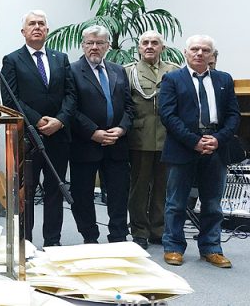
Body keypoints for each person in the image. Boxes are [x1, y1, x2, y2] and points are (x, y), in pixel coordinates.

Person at [159, 35, 239, 268]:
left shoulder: (224, 79)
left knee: (213, 203)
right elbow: (168, 115)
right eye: (195, 49)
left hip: (216, 147)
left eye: (205, 50)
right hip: (183, 147)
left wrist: (216, 139)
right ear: (185, 52)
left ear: (212, 55)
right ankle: (173, 246)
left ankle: (211, 248)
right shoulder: (172, 78)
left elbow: (233, 116)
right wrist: (194, 141)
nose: (199, 53)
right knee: (176, 202)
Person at [1, 10, 76, 247]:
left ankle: (53, 241)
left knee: (55, 188)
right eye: (31, 24)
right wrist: (38, 121)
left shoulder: (60, 58)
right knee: (27, 191)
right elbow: (10, 99)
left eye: (41, 24)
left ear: (47, 30)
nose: (37, 27)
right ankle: (26, 241)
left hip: (59, 135)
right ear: (23, 31)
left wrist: (60, 120)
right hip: (28, 136)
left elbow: (71, 95)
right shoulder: (12, 60)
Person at [69, 25, 134, 244]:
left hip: (117, 143)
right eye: (90, 43)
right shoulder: (72, 70)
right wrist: (93, 132)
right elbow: (71, 108)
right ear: (83, 45)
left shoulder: (118, 70)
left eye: (99, 43)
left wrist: (122, 128)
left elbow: (129, 106)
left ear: (107, 46)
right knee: (83, 195)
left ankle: (118, 235)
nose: (94, 47)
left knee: (118, 194)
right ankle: (90, 237)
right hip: (85, 144)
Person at [123, 30, 179, 249]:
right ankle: (139, 231)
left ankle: (159, 229)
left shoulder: (173, 71)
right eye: (145, 43)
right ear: (139, 47)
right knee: (139, 186)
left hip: (167, 138)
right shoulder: (130, 72)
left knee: (163, 186)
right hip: (140, 138)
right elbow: (126, 104)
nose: (149, 46)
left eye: (154, 43)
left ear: (162, 48)